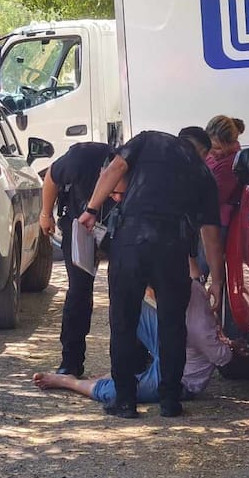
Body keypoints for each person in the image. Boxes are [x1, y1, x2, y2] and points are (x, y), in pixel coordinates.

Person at [78, 126, 224, 418]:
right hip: (173, 248)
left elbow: (116, 168)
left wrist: (91, 209)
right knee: (173, 325)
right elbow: (210, 233)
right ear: (201, 151)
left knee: (124, 320)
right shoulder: (203, 172)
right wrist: (217, 281)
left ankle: (125, 400)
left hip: (132, 241)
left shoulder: (149, 140)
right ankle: (170, 401)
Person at [32, 259, 245, 407]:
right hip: (170, 342)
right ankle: (126, 368)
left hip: (180, 377)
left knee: (114, 392)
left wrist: (228, 346)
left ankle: (69, 382)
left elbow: (222, 357)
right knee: (127, 306)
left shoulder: (199, 328)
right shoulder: (191, 287)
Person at [38, 141, 114, 377]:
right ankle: (71, 361)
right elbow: (51, 176)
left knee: (125, 291)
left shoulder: (129, 167)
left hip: (116, 227)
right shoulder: (80, 159)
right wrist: (45, 214)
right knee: (79, 291)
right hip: (78, 224)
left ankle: (133, 361)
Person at [199, 115, 244, 280]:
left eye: (217, 148)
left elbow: (215, 196)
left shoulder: (230, 164)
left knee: (201, 268)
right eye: (209, 147)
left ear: (230, 144)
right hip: (205, 217)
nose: (212, 152)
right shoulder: (215, 156)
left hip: (217, 221)